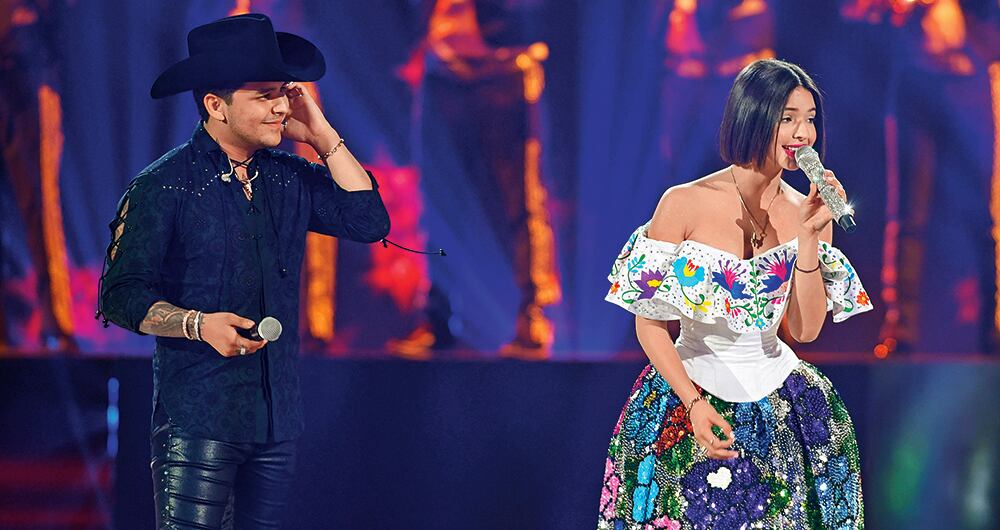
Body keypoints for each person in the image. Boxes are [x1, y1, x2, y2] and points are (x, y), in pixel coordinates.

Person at [97, 14, 389, 529]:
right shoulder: (164, 186)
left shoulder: (286, 177)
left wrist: (321, 136)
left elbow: (368, 220)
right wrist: (196, 324)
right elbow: (119, 295)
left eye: (283, 91)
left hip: (276, 422)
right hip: (198, 422)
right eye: (262, 94)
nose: (281, 106)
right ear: (216, 104)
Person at [598, 59, 872, 529]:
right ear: (754, 115)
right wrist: (694, 404)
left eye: (809, 119)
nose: (802, 132)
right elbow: (650, 324)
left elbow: (804, 331)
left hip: (782, 406)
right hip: (687, 397)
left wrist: (809, 238)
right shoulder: (683, 203)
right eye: (788, 117)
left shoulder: (806, 211)